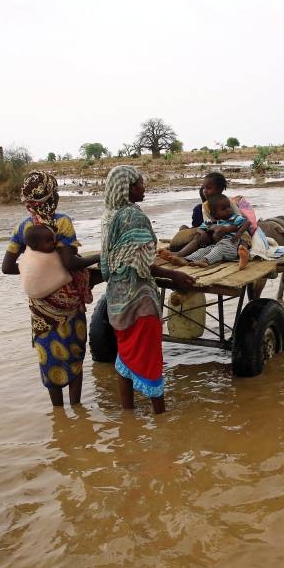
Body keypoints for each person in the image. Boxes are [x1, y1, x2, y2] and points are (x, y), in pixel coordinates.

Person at [100, 165, 195, 414]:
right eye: (141, 183)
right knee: (150, 358)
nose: (144, 187)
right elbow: (142, 266)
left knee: (126, 356)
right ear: (129, 188)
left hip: (117, 299)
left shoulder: (109, 215)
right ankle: (160, 416)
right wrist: (173, 274)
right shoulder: (133, 216)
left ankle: (128, 415)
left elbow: (106, 264)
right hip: (139, 298)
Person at [1, 171, 98, 407]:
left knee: (49, 358)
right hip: (69, 304)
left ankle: (59, 413)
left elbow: (7, 267)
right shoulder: (61, 222)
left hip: (40, 309)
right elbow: (70, 262)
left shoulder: (22, 228)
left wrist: (35, 271)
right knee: (74, 356)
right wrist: (98, 257)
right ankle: (77, 408)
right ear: (51, 196)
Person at [161, 195, 249, 268]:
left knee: (219, 249)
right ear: (214, 214)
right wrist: (202, 232)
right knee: (204, 250)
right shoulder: (213, 222)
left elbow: (247, 222)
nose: (228, 210)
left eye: (228, 207)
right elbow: (200, 228)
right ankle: (186, 260)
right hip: (216, 245)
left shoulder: (234, 218)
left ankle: (205, 261)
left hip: (230, 246)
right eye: (223, 209)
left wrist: (239, 233)